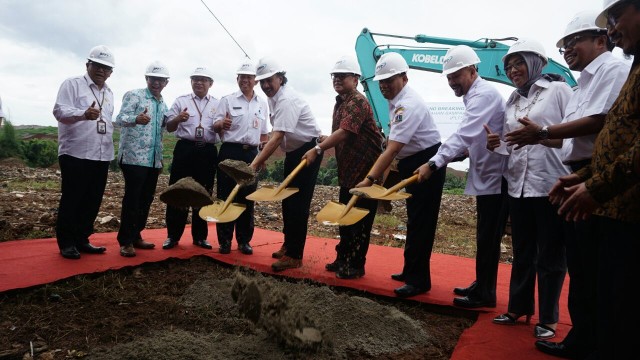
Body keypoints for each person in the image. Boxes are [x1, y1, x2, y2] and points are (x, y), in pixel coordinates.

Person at [504, 10, 629, 358]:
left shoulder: (611, 70)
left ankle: (580, 334)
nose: (568, 50)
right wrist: (535, 138)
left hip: (591, 176)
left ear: (601, 40)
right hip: (572, 175)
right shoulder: (582, 84)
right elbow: (563, 140)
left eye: (573, 42)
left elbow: (598, 121)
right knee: (582, 266)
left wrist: (542, 133)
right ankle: (582, 338)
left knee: (586, 264)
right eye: (564, 46)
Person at [549, 1, 640, 358]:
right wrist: (584, 177)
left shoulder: (614, 69)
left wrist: (595, 184)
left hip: (622, 200)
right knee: (598, 286)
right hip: (604, 190)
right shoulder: (628, 70)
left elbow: (605, 128)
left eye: (617, 19)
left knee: (619, 301)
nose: (613, 29)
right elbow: (616, 138)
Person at [486, 38, 572, 340]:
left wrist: (542, 137)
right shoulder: (512, 101)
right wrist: (495, 146)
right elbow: (514, 145)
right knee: (522, 252)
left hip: (550, 183)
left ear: (537, 62)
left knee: (550, 253)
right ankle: (517, 308)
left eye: (519, 63)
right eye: (509, 66)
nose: (513, 70)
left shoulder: (559, 91)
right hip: (518, 186)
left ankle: (548, 318)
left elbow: (572, 138)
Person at [415, 45, 509, 308]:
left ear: (472, 70)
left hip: (497, 176)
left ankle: (486, 293)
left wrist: (433, 163)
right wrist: (462, 153)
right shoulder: (475, 96)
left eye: (456, 75)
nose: (451, 82)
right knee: (485, 234)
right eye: (448, 77)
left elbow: (464, 133)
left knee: (488, 236)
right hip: (486, 174)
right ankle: (482, 283)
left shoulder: (484, 95)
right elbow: (474, 137)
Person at [354, 52, 445, 298]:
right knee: (414, 219)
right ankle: (410, 270)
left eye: (389, 80)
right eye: (381, 82)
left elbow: (393, 148)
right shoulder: (396, 100)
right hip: (411, 160)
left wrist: (370, 178)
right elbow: (392, 143)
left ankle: (419, 281)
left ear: (404, 78)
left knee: (422, 223)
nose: (384, 86)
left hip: (426, 163)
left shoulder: (409, 105)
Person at [303, 55, 384, 279]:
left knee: (359, 221)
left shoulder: (357, 102)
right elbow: (342, 135)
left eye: (343, 76)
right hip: (348, 174)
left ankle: (356, 264)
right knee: (345, 218)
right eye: (334, 76)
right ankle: (343, 258)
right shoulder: (341, 103)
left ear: (356, 79)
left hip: (365, 175)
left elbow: (346, 131)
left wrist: (319, 149)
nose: (337, 80)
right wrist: (324, 138)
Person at [250, 56, 323, 272]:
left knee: (298, 205)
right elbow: (277, 138)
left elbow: (276, 136)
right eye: (261, 82)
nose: (265, 86)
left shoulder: (286, 99)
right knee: (287, 201)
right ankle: (288, 243)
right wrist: (264, 152)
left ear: (280, 78)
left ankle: (295, 255)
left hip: (308, 151)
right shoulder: (274, 98)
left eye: (269, 80)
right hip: (293, 151)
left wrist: (253, 165)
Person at [52, 45, 116, 259]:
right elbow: (59, 111)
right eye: (97, 65)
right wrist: (83, 113)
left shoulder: (109, 92)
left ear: (111, 72)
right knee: (73, 197)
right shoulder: (72, 84)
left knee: (93, 199)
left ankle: (82, 238)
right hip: (76, 152)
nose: (101, 71)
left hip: (101, 154)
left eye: (106, 68)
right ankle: (67, 242)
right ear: (87, 64)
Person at [212, 61, 269, 255]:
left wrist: (262, 156)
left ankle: (244, 241)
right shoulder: (227, 100)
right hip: (230, 151)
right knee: (226, 196)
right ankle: (225, 241)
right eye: (241, 77)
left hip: (251, 154)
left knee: (247, 198)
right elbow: (215, 125)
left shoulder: (262, 103)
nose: (245, 80)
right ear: (237, 79)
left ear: (255, 81)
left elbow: (263, 134)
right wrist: (221, 123)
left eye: (249, 77)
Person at [115, 61, 170, 257]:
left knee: (146, 199)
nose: (156, 83)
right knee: (132, 199)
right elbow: (120, 118)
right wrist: (136, 119)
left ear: (166, 82)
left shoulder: (163, 103)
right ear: (147, 79)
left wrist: (177, 120)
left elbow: (164, 127)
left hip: (153, 159)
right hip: (133, 157)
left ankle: (136, 235)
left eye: (160, 80)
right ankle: (125, 241)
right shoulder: (134, 95)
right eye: (153, 79)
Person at [162, 67, 219, 251]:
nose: (199, 83)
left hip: (208, 152)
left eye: (203, 79)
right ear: (191, 81)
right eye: (195, 79)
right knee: (178, 191)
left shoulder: (218, 104)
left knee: (204, 193)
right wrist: (178, 118)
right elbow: (169, 127)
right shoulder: (181, 101)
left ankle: (200, 237)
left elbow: (222, 128)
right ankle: (172, 236)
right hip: (185, 149)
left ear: (210, 83)